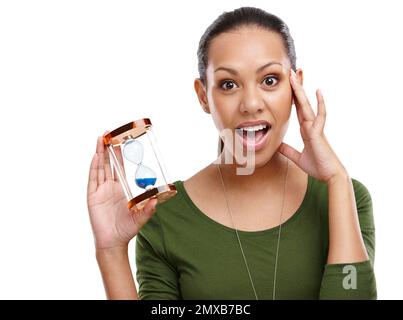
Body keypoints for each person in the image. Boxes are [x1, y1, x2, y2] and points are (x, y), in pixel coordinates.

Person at [87, 7, 376, 300]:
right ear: (203, 97)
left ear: (295, 85)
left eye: (270, 80)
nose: (251, 103)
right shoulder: (165, 217)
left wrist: (338, 180)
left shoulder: (344, 198)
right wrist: (110, 252)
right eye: (228, 84)